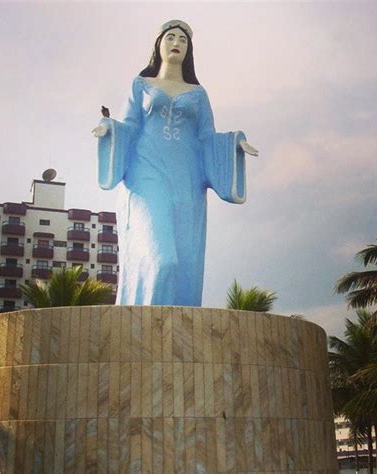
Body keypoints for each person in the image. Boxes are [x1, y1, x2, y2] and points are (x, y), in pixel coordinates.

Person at [92, 20, 258, 306]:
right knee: (163, 259)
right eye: (170, 37)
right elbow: (129, 126)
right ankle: (143, 328)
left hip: (187, 181)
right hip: (146, 175)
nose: (176, 42)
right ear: (159, 44)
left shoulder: (198, 93)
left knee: (182, 259)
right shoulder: (141, 86)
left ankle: (175, 332)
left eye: (182, 38)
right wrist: (109, 129)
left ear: (188, 49)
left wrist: (234, 145)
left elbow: (207, 137)